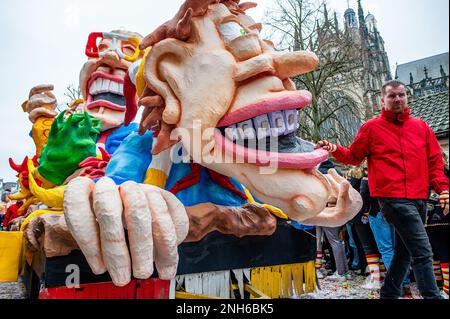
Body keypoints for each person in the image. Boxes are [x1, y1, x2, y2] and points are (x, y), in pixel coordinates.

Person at [316, 80, 449, 299]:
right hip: (392, 199)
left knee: (403, 252)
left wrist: (443, 188)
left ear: (407, 97)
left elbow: (434, 161)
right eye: (392, 96)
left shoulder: (421, 127)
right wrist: (334, 149)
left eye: (401, 95)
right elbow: (353, 156)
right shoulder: (371, 128)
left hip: (419, 198)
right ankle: (431, 295)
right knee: (423, 251)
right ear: (382, 100)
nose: (397, 99)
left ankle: (388, 293)